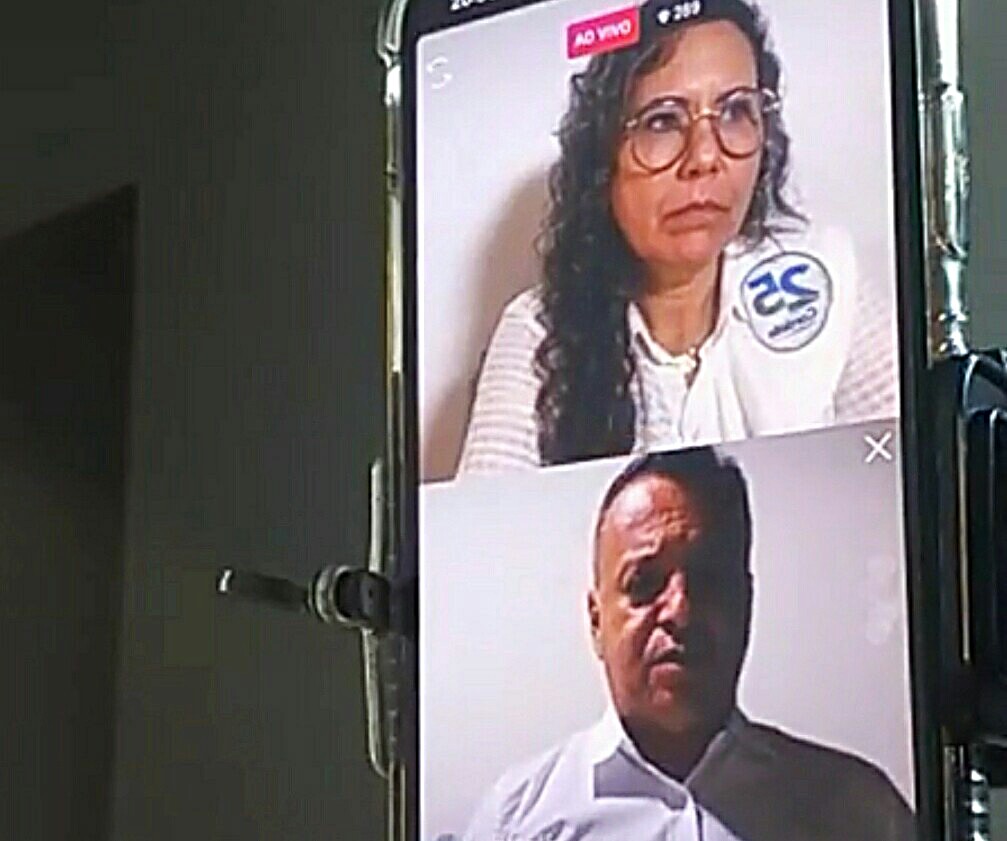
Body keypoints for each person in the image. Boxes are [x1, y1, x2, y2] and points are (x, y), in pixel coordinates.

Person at [457, 0, 897, 476]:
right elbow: (487, 516)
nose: (705, 157)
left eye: (735, 111)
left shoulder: (823, 280)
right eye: (662, 121)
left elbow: (915, 479)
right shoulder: (539, 332)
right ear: (602, 159)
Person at [462, 448, 914, 841]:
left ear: (745, 604)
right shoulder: (515, 818)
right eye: (643, 583)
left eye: (709, 580)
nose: (680, 611)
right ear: (597, 622)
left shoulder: (856, 809)